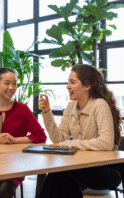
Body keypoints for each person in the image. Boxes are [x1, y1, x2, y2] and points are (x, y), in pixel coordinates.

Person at [37, 64, 122, 198]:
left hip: (107, 171)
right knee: (67, 184)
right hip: (82, 166)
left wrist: (70, 144)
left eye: (72, 82)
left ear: (87, 86)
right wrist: (47, 112)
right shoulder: (71, 106)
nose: (67, 86)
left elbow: (105, 143)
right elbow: (59, 139)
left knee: (61, 171)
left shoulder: (100, 105)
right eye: (68, 82)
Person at [0, 67, 47, 198]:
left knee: (5, 191)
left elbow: (41, 136)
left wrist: (15, 140)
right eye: (7, 83)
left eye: (14, 83)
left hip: (15, 163)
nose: (11, 87)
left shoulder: (23, 109)